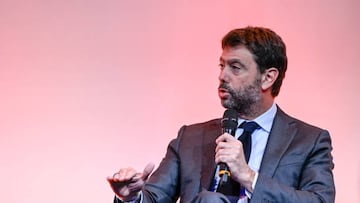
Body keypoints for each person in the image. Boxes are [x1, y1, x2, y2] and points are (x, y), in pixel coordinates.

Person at [107, 26, 335, 203]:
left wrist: (248, 176)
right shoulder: (190, 137)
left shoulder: (309, 141)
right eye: (221, 65)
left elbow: (319, 200)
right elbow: (155, 198)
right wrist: (132, 197)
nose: (222, 76)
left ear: (268, 78)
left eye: (235, 67)